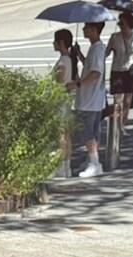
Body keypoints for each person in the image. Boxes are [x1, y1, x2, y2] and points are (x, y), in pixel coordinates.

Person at [70, 21, 108, 178]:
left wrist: (77, 83)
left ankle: (95, 163)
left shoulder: (98, 49)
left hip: (90, 98)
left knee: (88, 133)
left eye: (86, 27)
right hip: (93, 98)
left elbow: (95, 73)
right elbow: (90, 66)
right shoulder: (95, 48)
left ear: (94, 30)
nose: (84, 29)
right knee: (92, 131)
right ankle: (91, 160)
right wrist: (79, 54)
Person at [52, 29, 81, 175]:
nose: (53, 43)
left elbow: (59, 80)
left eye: (55, 41)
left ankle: (62, 167)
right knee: (67, 134)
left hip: (61, 100)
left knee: (61, 134)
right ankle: (67, 166)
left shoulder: (63, 60)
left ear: (61, 43)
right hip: (68, 100)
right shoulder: (70, 59)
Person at [107, 13, 133, 124]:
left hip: (130, 70)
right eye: (119, 23)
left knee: (128, 101)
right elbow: (106, 53)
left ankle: (122, 123)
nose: (120, 25)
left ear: (129, 24)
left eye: (122, 23)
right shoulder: (114, 37)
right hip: (117, 70)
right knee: (117, 101)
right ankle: (116, 124)